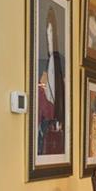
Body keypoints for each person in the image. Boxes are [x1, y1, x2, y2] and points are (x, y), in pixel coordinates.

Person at [37, 8, 66, 156]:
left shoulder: (61, 63)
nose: (49, 38)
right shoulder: (41, 65)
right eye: (46, 33)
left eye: (51, 33)